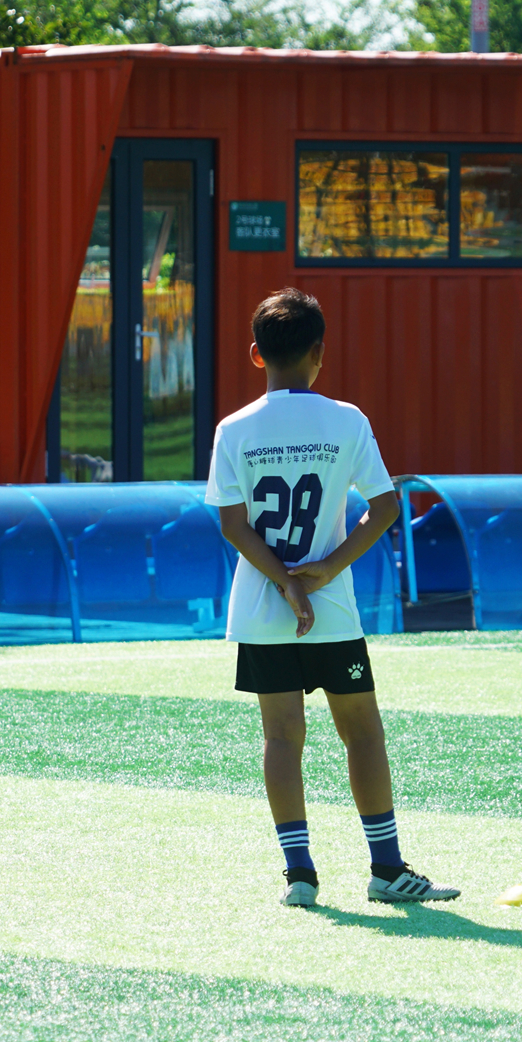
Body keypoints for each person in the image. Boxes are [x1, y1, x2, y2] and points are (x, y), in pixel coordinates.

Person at [206, 288, 459, 908]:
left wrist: (287, 581)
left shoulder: (233, 429)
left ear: (254, 354)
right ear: (320, 352)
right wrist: (321, 571)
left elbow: (233, 525)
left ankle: (300, 876)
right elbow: (385, 507)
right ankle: (386, 869)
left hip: (265, 611)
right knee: (363, 733)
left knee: (280, 737)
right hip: (334, 610)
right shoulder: (347, 419)